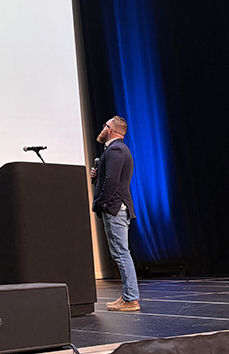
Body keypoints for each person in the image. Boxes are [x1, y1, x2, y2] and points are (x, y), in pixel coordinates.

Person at [90, 116, 141, 311]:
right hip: (116, 207)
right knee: (120, 253)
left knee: (121, 253)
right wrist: (98, 176)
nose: (103, 127)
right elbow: (111, 177)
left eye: (106, 125)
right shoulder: (113, 150)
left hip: (115, 208)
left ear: (111, 130)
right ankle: (128, 295)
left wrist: (102, 203)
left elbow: (112, 181)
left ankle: (131, 299)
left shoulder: (116, 149)